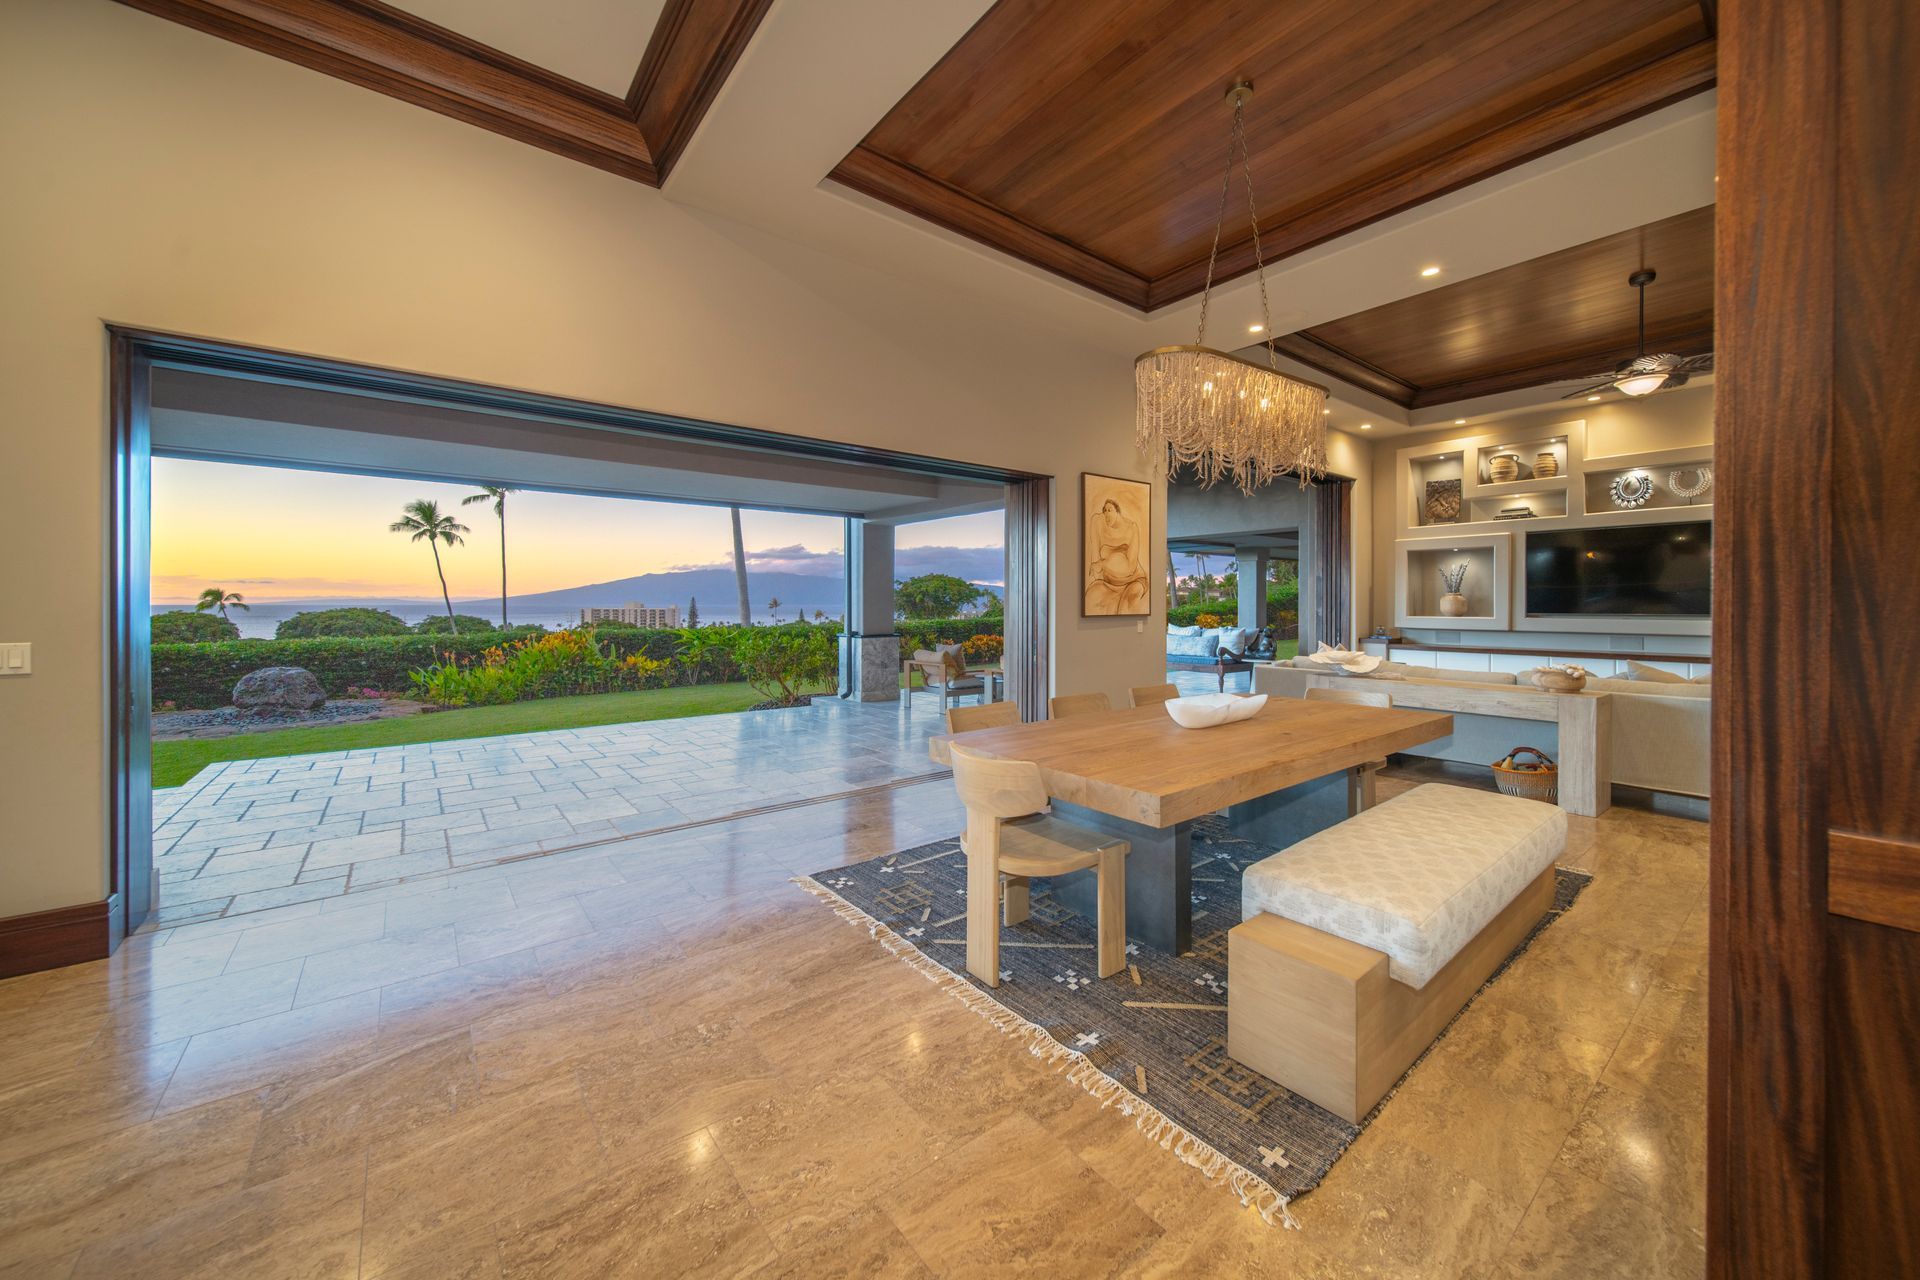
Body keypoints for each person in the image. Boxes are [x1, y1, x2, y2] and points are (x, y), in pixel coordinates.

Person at [1086, 497, 1149, 613]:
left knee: (1123, 609)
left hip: (1133, 580)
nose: (1106, 514)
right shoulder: (1097, 522)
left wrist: (1103, 564)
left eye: (1109, 510)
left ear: (1118, 511)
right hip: (1109, 582)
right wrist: (1100, 570)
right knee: (1090, 597)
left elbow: (1130, 567)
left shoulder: (1131, 528)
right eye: (1104, 511)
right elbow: (1095, 566)